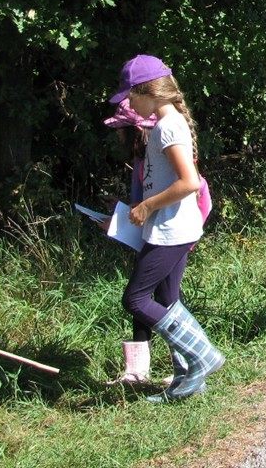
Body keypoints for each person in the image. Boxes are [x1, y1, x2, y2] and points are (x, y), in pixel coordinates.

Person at [108, 54, 224, 402]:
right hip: (171, 227)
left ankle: (202, 355)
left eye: (131, 96)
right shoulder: (166, 123)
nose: (129, 104)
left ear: (148, 91)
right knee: (168, 299)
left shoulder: (167, 127)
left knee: (135, 298)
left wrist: (147, 206)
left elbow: (189, 182)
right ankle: (188, 377)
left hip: (171, 230)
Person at [100, 100, 162, 385]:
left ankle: (194, 358)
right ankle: (138, 372)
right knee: (157, 297)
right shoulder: (140, 159)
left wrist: (121, 219)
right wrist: (121, 211)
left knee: (142, 298)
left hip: (166, 236)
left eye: (121, 128)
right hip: (150, 235)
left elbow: (162, 200)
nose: (117, 134)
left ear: (135, 130)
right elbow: (142, 203)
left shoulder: (154, 158)